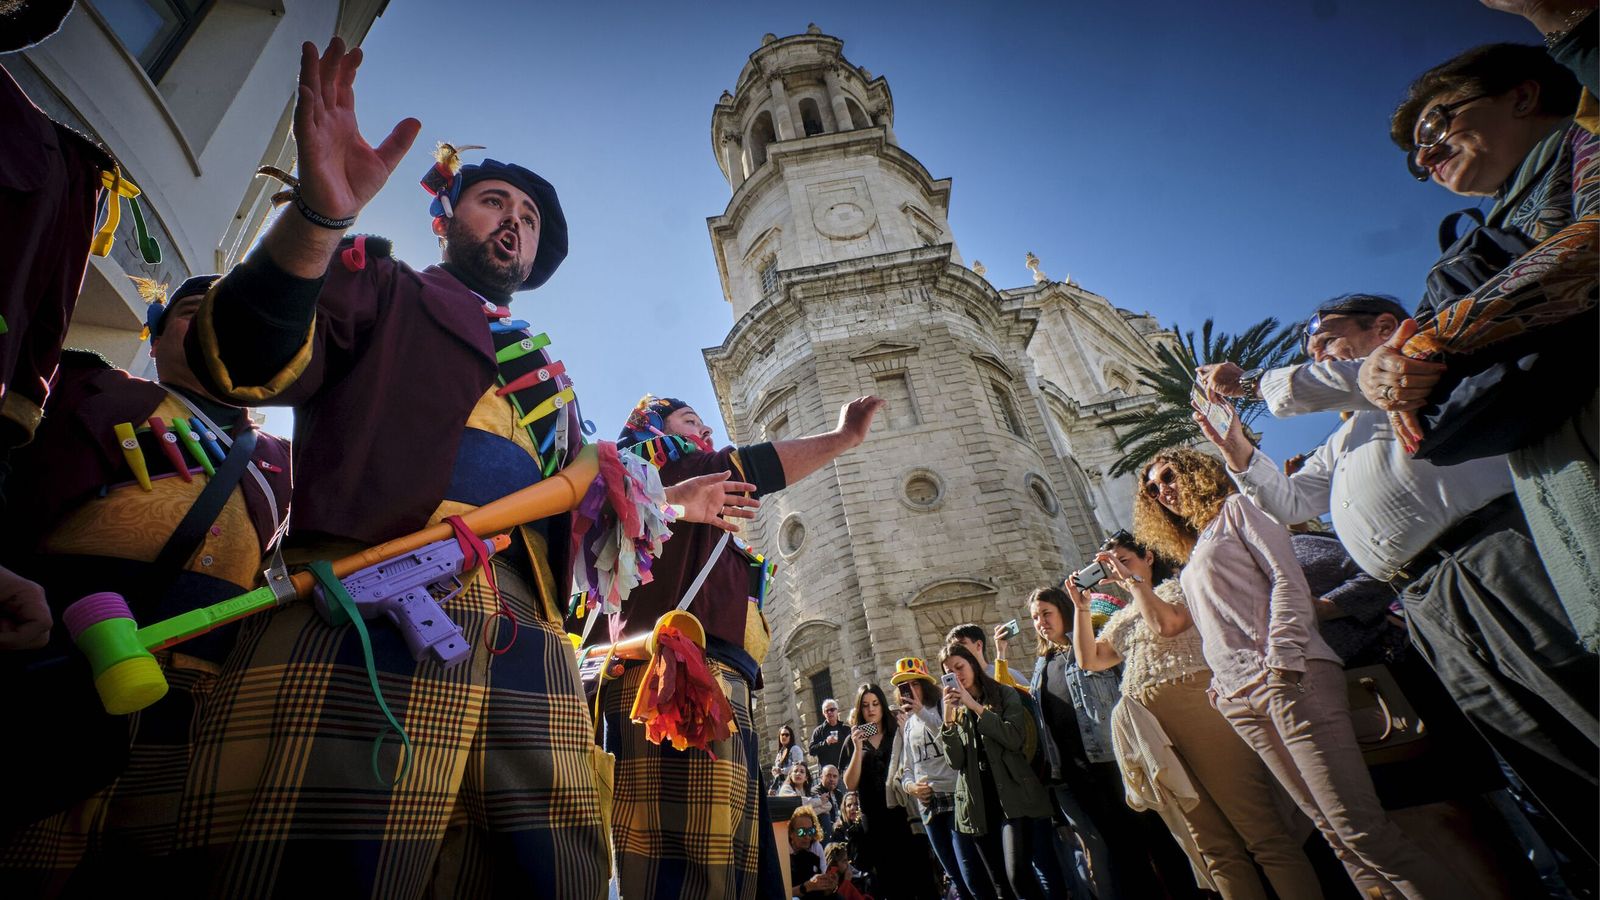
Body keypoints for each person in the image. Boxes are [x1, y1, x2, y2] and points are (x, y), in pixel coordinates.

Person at [174, 38, 752, 897]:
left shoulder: (553, 389)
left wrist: (667, 497)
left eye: (529, 216)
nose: (515, 220)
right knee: (312, 865)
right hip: (371, 595)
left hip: (533, 631)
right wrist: (319, 221)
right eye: (494, 201)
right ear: (446, 218)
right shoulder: (378, 279)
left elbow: (571, 515)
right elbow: (245, 359)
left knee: (549, 877)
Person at [1196, 292, 1597, 858]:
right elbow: (1289, 501)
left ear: (1383, 326)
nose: (1316, 356)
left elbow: (1325, 383)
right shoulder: (1344, 436)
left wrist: (1255, 379)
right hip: (1424, 594)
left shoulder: (1421, 352)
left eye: (1325, 339)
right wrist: (1238, 450)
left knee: (1577, 698)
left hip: (1488, 552)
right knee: (1526, 739)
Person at [0, 278, 293, 892]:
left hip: (193, 708)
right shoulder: (78, 385)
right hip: (52, 666)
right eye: (194, 314)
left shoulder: (283, 461)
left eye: (237, 317)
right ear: (154, 337)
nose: (218, 327)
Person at [1132, 445, 1464, 899]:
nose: (1161, 491)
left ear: (1196, 472)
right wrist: (1220, 685)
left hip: (1289, 678)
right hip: (1241, 697)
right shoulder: (1195, 547)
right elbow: (1216, 622)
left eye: (1168, 477)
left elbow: (1287, 577)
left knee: (1363, 832)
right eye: (1152, 488)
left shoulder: (1238, 509)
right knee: (1333, 838)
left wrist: (1284, 655)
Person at [1362, 31, 1599, 653]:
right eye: (1417, 159)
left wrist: (1439, 340)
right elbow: (1411, 347)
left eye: (1437, 123)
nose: (1426, 156)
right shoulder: (1478, 234)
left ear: (1523, 96)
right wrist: (1382, 376)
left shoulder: (1585, 138)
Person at [604, 393, 880, 900]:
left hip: (716, 683)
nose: (704, 431)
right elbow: (752, 466)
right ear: (653, 427)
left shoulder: (681, 501)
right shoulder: (660, 462)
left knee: (731, 855)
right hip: (679, 679)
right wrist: (844, 437)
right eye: (690, 421)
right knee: (697, 857)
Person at [1062, 534, 1320, 900]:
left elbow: (1167, 625)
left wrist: (1133, 584)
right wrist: (1081, 608)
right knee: (1211, 847)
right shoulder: (1122, 616)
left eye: (1125, 559)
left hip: (1195, 707)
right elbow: (1091, 659)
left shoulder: (1177, 588)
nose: (1118, 569)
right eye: (1110, 565)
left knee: (1261, 830)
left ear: (1148, 557)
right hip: (1152, 730)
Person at [937, 644, 1067, 900]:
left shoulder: (1004, 693)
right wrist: (948, 720)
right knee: (999, 884)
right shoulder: (955, 711)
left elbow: (1014, 737)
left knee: (1018, 873)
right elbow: (955, 761)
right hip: (979, 804)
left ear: (972, 663)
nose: (956, 674)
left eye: (959, 667)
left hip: (1014, 798)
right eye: (948, 672)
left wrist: (975, 706)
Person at [890, 657, 984, 900]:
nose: (909, 691)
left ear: (925, 684)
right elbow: (906, 768)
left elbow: (950, 741)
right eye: (904, 687)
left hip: (955, 796)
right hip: (928, 806)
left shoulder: (942, 707)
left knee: (970, 870)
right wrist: (911, 787)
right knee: (953, 873)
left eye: (915, 684)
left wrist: (921, 712)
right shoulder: (908, 723)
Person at [839, 683, 928, 898]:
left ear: (882, 705)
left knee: (919, 877)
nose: (871, 710)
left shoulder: (895, 730)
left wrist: (906, 730)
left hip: (902, 813)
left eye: (875, 704)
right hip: (875, 820)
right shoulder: (853, 740)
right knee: (890, 883)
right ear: (860, 710)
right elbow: (850, 784)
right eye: (866, 705)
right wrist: (858, 749)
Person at [1287, 527, 1409, 668]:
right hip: (1315, 675)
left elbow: (1382, 571)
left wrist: (1332, 605)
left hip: (1384, 654)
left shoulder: (1303, 545)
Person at [946, 623, 1024, 691]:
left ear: (979, 645)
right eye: (953, 647)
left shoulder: (1010, 674)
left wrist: (1000, 652)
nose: (956, 650)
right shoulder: (958, 684)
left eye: (961, 644)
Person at [790, 806, 836, 900]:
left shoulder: (816, 847)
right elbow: (781, 893)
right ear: (791, 833)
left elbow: (824, 881)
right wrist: (807, 887)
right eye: (802, 831)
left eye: (810, 831)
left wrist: (831, 886)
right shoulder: (782, 851)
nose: (807, 837)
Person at [811, 698, 851, 771]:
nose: (829, 712)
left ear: (837, 711)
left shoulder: (846, 729)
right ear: (823, 713)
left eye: (832, 710)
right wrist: (826, 742)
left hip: (845, 770)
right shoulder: (818, 731)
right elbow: (812, 751)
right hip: (826, 773)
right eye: (827, 711)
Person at [811, 765, 844, 838]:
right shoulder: (816, 791)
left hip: (840, 828)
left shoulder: (838, 793)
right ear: (821, 777)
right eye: (829, 776)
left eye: (835, 776)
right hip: (824, 832)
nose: (832, 779)